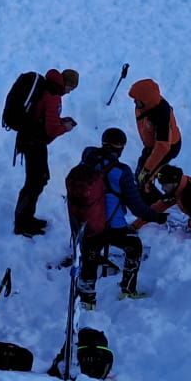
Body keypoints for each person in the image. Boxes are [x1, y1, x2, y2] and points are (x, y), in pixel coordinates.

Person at [78, 128, 161, 307]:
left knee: (89, 258)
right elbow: (137, 207)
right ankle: (128, 289)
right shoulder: (122, 172)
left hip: (90, 226)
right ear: (121, 148)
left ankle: (87, 300)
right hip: (114, 228)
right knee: (134, 246)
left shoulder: (87, 161)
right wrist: (157, 216)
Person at [12, 68, 78, 237]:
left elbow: (45, 119)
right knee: (35, 181)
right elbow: (51, 129)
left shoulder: (48, 88)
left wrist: (61, 122)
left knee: (39, 179)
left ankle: (27, 217)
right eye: (71, 89)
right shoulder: (53, 95)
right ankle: (22, 222)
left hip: (30, 139)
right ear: (68, 84)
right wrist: (65, 127)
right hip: (34, 142)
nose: (69, 92)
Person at [128, 79, 183, 192]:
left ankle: (152, 199)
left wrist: (147, 170)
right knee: (142, 170)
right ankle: (155, 179)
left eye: (138, 101)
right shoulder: (146, 105)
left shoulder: (161, 115)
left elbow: (162, 147)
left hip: (168, 147)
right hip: (154, 146)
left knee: (145, 177)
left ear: (147, 101)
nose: (135, 103)